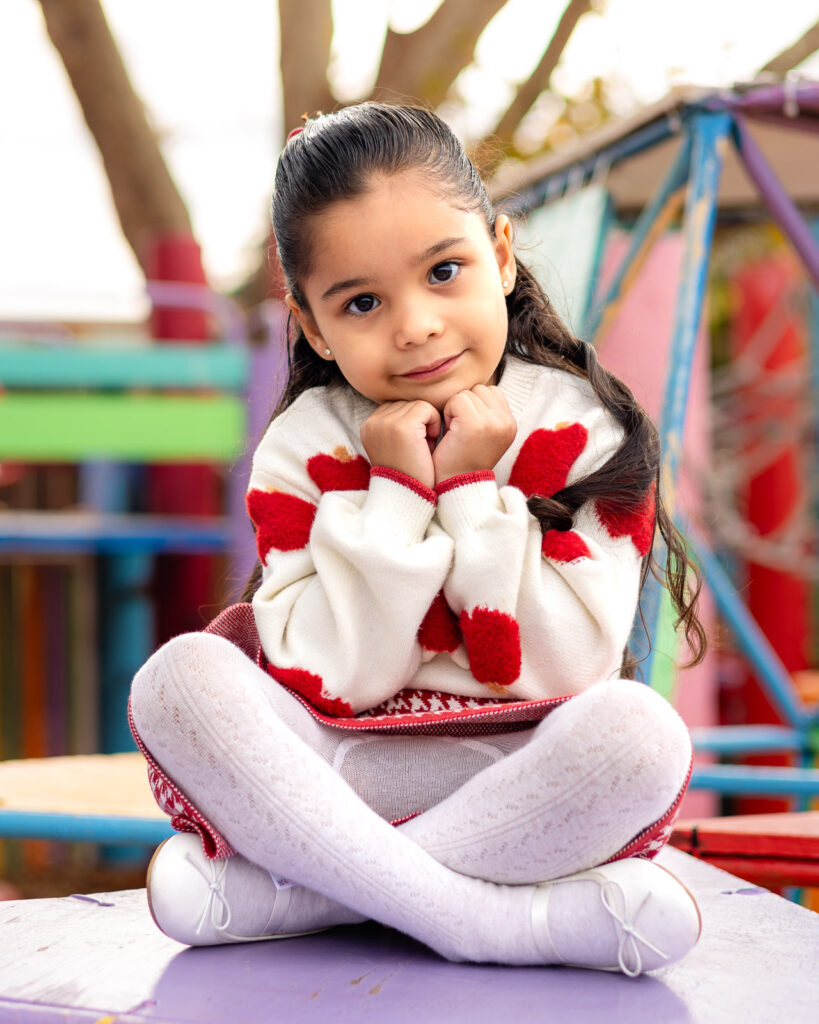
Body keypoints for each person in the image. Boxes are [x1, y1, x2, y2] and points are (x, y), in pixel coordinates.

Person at [130, 102, 706, 977]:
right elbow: (329, 675)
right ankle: (486, 922)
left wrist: (473, 489)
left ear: (501, 256)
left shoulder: (585, 427)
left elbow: (562, 670)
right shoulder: (303, 445)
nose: (414, 324)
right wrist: (398, 492)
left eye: (443, 271)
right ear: (313, 325)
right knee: (176, 681)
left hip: (517, 769)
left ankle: (308, 896)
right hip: (339, 765)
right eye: (361, 301)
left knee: (641, 733)